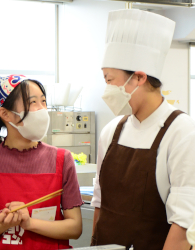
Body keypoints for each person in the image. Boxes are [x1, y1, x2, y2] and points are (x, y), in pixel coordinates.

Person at [91, 9, 195, 250]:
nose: (106, 89)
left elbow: (183, 225)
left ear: (138, 77)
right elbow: (99, 204)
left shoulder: (182, 132)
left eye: (109, 79)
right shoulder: (111, 131)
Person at [0, 75, 83, 250]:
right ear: (5, 114)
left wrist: (30, 223)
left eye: (43, 101)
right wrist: (2, 224)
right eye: (33, 102)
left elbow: (75, 227)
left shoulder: (62, 160)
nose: (42, 109)